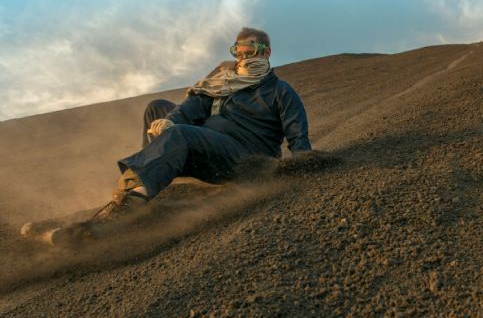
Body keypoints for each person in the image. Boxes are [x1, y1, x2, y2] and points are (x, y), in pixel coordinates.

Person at [45, 27, 312, 244]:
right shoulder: (222, 83)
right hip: (206, 147)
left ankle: (129, 205)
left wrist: (302, 166)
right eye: (237, 51)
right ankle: (151, 177)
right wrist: (168, 122)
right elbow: (189, 109)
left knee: (181, 133)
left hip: (244, 158)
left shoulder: (280, 91)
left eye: (250, 50)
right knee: (157, 108)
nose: (243, 56)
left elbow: (298, 136)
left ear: (267, 52)